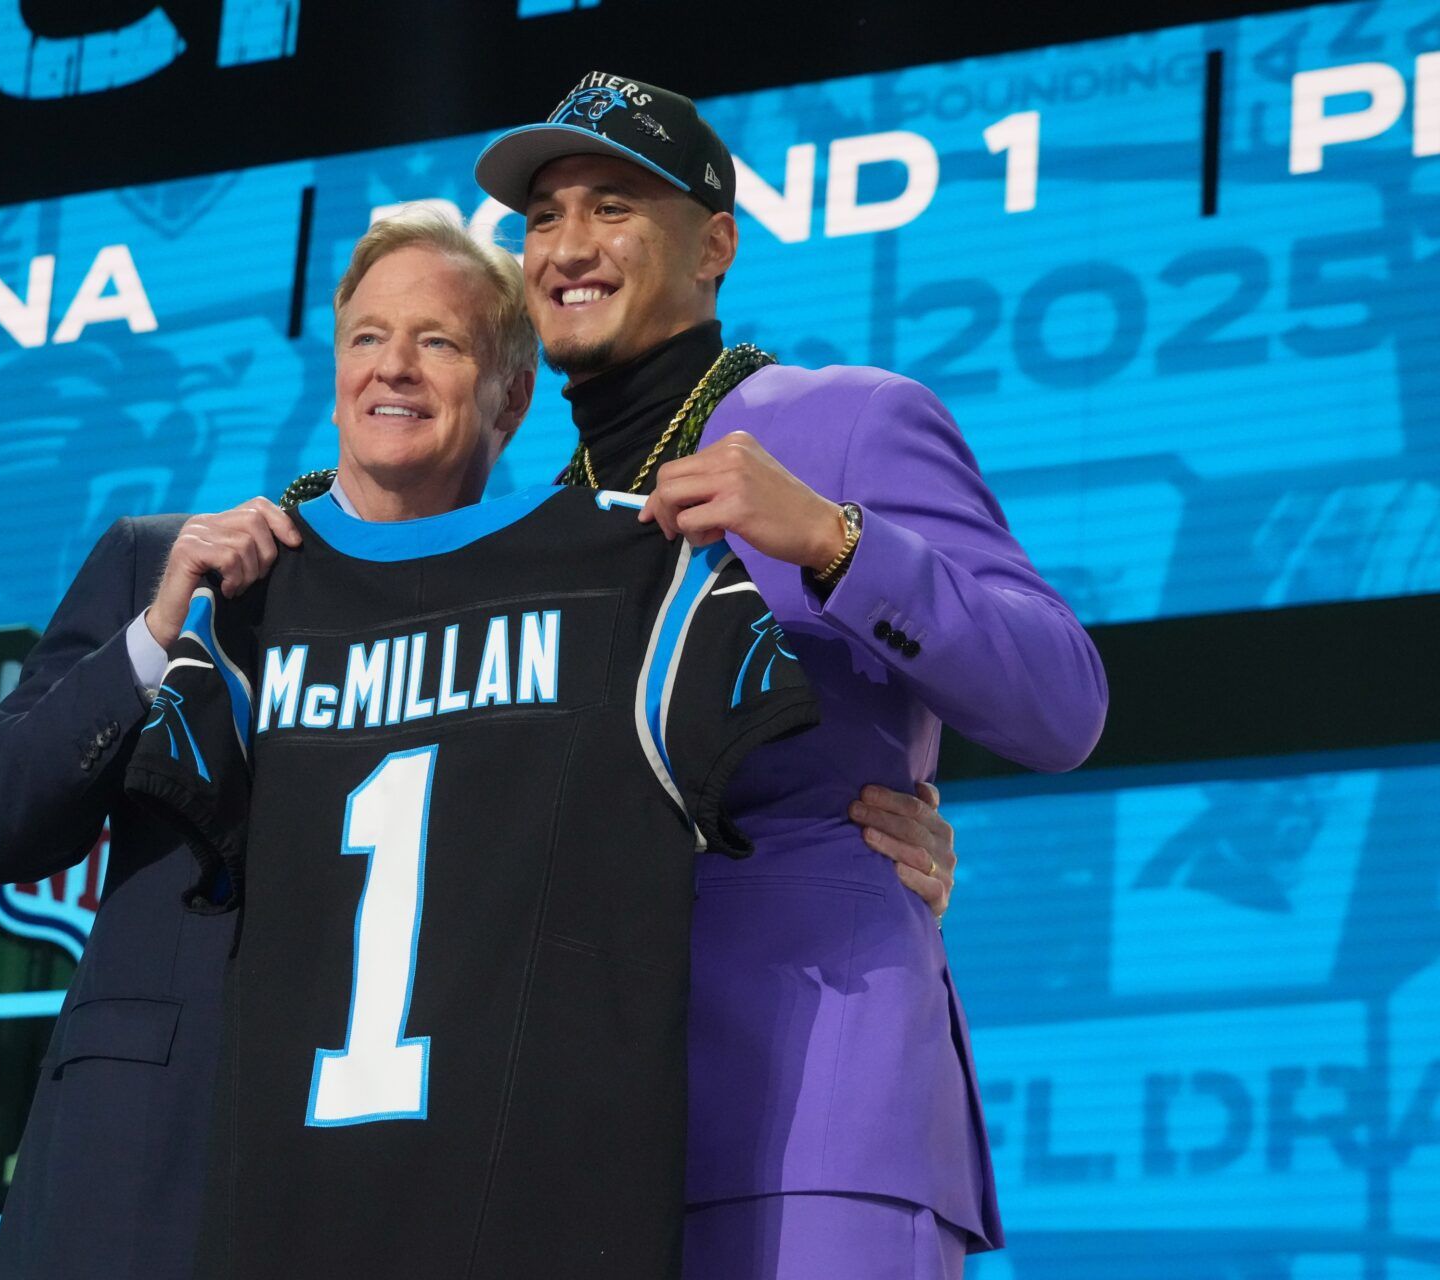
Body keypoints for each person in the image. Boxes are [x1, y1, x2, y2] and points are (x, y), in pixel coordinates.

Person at [0, 210, 958, 1279]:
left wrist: (875, 843)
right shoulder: (173, 567)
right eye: (367, 338)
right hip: (159, 1150)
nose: (395, 368)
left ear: (510, 395)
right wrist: (158, 635)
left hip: (419, 1178)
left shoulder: (581, 596)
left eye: (440, 341)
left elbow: (675, 817)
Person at [467, 74, 1109, 1277]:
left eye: (612, 206)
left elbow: (1062, 702)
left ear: (715, 244)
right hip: (582, 1126)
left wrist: (837, 541)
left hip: (816, 1100)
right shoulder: (538, 526)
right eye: (542, 218)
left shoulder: (847, 422)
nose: (566, 246)